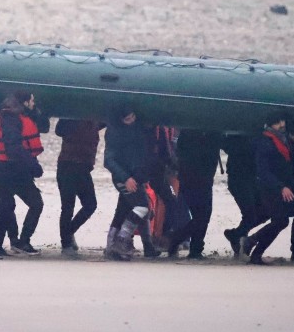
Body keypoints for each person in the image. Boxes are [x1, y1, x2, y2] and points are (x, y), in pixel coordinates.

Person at [0, 94, 44, 259]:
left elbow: (43, 127)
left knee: (35, 203)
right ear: (24, 102)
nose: (34, 102)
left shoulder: (24, 117)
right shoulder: (10, 118)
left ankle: (22, 242)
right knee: (2, 207)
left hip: (20, 171)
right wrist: (33, 165)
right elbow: (13, 147)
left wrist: (36, 112)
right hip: (6, 170)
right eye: (32, 100)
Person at [103, 104, 159, 260]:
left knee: (122, 210)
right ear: (121, 120)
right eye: (128, 119)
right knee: (142, 207)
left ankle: (111, 245)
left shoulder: (136, 129)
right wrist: (126, 178)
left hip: (134, 176)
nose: (132, 120)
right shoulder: (115, 134)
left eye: (133, 117)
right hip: (125, 178)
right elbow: (109, 160)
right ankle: (122, 241)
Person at [247, 112, 294, 265]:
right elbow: (263, 171)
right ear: (270, 125)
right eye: (278, 123)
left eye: (282, 122)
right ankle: (253, 244)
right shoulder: (265, 142)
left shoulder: (281, 140)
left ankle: (254, 247)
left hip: (280, 187)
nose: (282, 125)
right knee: (281, 221)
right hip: (269, 188)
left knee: (280, 221)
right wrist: (281, 186)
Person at [165, 128, 221, 259]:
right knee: (202, 216)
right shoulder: (197, 132)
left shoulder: (211, 132)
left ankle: (192, 247)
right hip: (192, 178)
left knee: (203, 215)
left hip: (200, 178)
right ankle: (182, 241)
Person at [55, 117, 104, 256]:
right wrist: (70, 115)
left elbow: (107, 119)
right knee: (68, 206)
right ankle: (66, 244)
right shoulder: (71, 117)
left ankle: (68, 232)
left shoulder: (94, 119)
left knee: (91, 205)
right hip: (67, 164)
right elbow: (58, 130)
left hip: (83, 167)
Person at [222, 134, 261, 259]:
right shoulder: (237, 134)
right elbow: (226, 145)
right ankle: (237, 237)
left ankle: (236, 235)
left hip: (251, 178)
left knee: (262, 212)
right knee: (251, 215)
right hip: (238, 179)